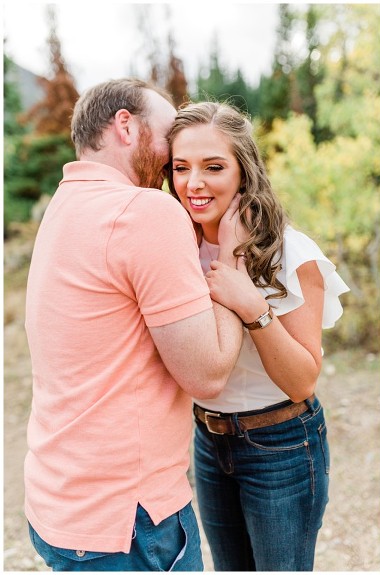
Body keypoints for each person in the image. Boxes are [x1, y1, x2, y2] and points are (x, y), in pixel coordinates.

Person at [24, 79, 245, 570]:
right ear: (126, 125)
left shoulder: (64, 206)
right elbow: (207, 374)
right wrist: (230, 263)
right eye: (169, 138)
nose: (173, 161)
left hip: (58, 501)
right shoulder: (144, 211)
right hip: (129, 520)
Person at [167, 101, 350, 571]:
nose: (194, 183)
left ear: (244, 171)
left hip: (281, 446)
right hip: (208, 441)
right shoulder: (174, 246)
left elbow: (302, 381)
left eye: (213, 167)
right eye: (181, 167)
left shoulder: (292, 253)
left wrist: (250, 305)